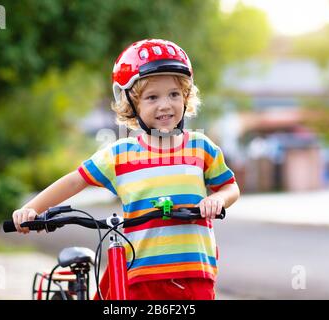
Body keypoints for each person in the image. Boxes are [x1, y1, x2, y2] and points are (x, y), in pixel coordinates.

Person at [12, 39, 240, 300]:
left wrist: (217, 199)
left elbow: (230, 186)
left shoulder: (201, 147)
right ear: (131, 105)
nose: (165, 105)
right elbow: (76, 180)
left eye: (174, 94)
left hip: (194, 273)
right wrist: (32, 208)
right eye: (152, 97)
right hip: (139, 275)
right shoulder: (120, 154)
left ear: (186, 97)